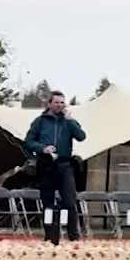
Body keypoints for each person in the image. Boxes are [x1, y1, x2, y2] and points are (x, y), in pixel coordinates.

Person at [24, 92, 86, 241]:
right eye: (57, 102)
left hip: (64, 165)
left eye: (62, 103)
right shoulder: (40, 121)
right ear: (50, 103)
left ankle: (73, 236)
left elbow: (81, 136)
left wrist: (70, 120)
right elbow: (28, 142)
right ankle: (50, 236)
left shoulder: (69, 121)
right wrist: (42, 148)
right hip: (46, 166)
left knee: (70, 201)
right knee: (48, 203)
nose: (60, 105)